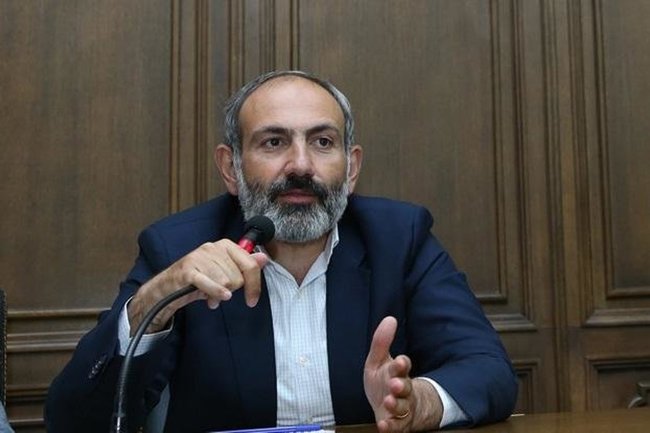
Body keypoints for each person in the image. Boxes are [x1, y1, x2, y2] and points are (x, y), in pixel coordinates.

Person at [44, 70, 517, 432]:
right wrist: (154, 302)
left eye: (323, 142)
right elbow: (72, 421)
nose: (301, 165)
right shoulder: (177, 247)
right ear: (230, 168)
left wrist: (419, 404)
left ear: (351, 168)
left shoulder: (399, 237)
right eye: (274, 142)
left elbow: (489, 371)